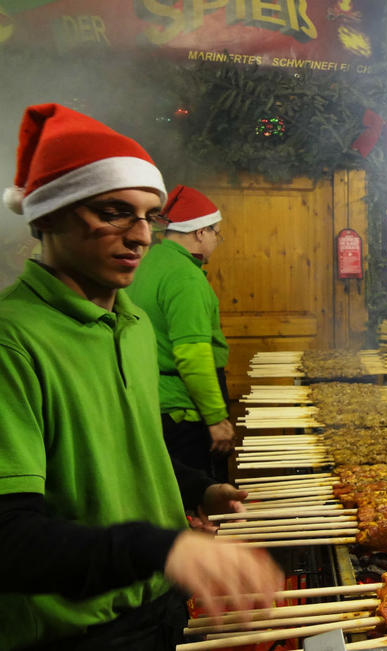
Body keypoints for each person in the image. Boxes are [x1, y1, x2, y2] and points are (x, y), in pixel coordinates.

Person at [0, 103, 283, 650]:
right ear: (46, 218)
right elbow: (9, 537)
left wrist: (201, 488)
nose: (141, 237)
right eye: (113, 212)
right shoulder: (13, 340)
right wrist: (162, 548)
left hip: (157, 605)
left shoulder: (131, 324)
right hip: (74, 632)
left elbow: (132, 448)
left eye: (148, 216)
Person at [130, 186, 234, 483]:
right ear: (201, 232)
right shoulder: (185, 277)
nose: (217, 240)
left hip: (151, 402)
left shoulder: (146, 264)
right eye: (217, 233)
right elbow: (192, 354)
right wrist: (215, 417)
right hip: (183, 411)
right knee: (202, 501)